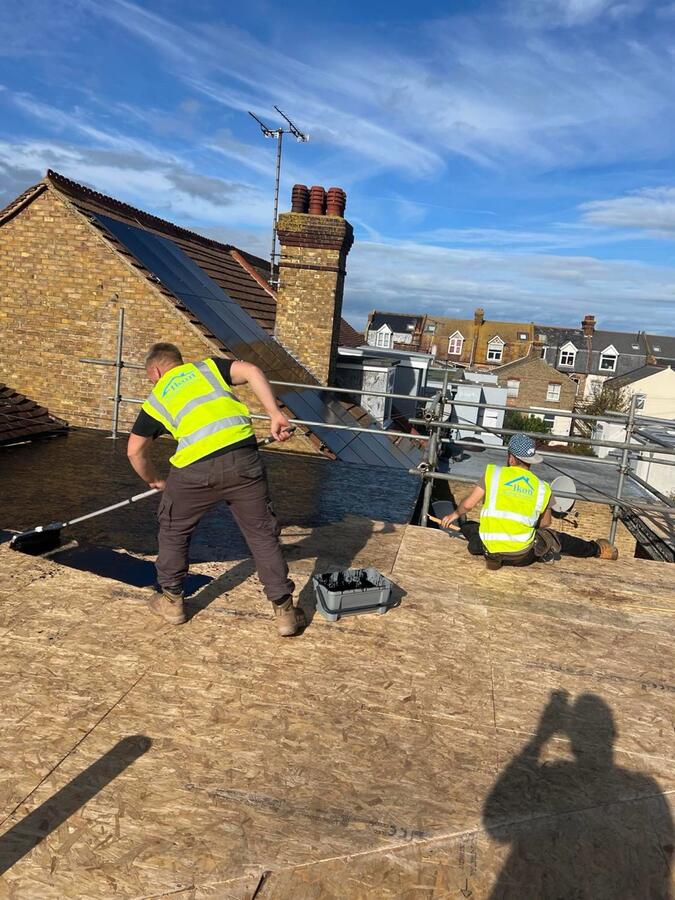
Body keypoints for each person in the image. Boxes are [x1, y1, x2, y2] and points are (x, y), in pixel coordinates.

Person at [126, 342, 304, 637]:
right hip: (243, 457)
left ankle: (172, 602)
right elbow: (252, 370)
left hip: (194, 470)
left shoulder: (157, 398)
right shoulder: (208, 368)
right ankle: (285, 612)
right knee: (261, 535)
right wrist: (274, 414)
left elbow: (134, 452)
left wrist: (156, 481)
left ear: (156, 371)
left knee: (173, 528)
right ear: (180, 362)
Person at [440, 433, 618, 569]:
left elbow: (468, 505)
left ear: (511, 457)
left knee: (471, 526)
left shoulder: (493, 474)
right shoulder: (542, 488)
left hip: (490, 550)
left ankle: (486, 550)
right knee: (557, 537)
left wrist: (453, 515)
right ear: (530, 461)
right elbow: (546, 523)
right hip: (521, 556)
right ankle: (598, 549)